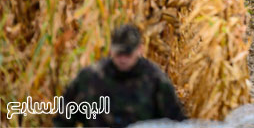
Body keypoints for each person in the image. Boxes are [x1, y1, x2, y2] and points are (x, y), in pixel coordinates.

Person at [54, 24, 187, 128]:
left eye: (128, 54)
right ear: (111, 49)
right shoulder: (90, 78)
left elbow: (176, 122)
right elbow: (63, 120)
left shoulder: (155, 80)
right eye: (119, 54)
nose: (123, 59)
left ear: (139, 49)